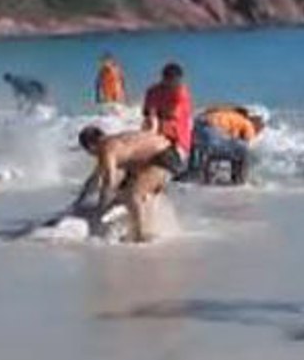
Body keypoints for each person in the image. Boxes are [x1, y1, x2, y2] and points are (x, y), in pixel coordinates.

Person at [71, 62, 192, 242]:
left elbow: (108, 181)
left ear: (92, 147)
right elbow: (98, 176)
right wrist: (79, 203)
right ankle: (145, 222)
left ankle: (142, 235)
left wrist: (99, 210)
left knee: (134, 193)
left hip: (170, 152)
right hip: (156, 148)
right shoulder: (116, 143)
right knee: (130, 190)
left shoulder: (107, 148)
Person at [189, 105, 266, 184]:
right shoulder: (246, 123)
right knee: (243, 150)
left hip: (201, 131)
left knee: (215, 150)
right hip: (213, 134)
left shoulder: (225, 115)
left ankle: (199, 175)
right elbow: (249, 144)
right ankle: (240, 181)